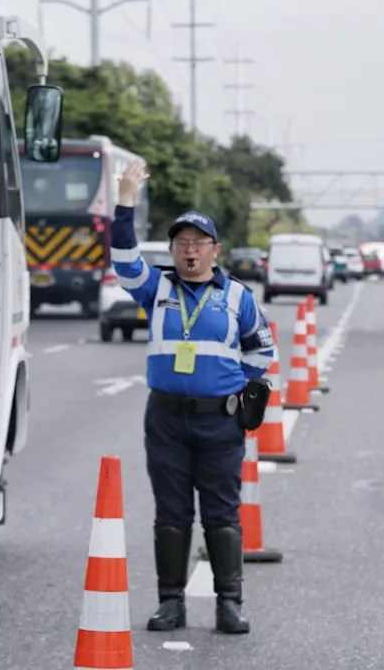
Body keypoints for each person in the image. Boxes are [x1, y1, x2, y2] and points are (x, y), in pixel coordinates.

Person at [109, 162, 276, 635]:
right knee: (171, 514)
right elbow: (122, 257)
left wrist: (232, 387)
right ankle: (171, 604)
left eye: (198, 243)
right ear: (172, 250)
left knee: (222, 514)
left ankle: (229, 604)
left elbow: (262, 349)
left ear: (214, 250)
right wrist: (125, 200)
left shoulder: (237, 298)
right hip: (165, 419)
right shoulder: (155, 289)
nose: (189, 250)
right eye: (181, 243)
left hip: (219, 423)